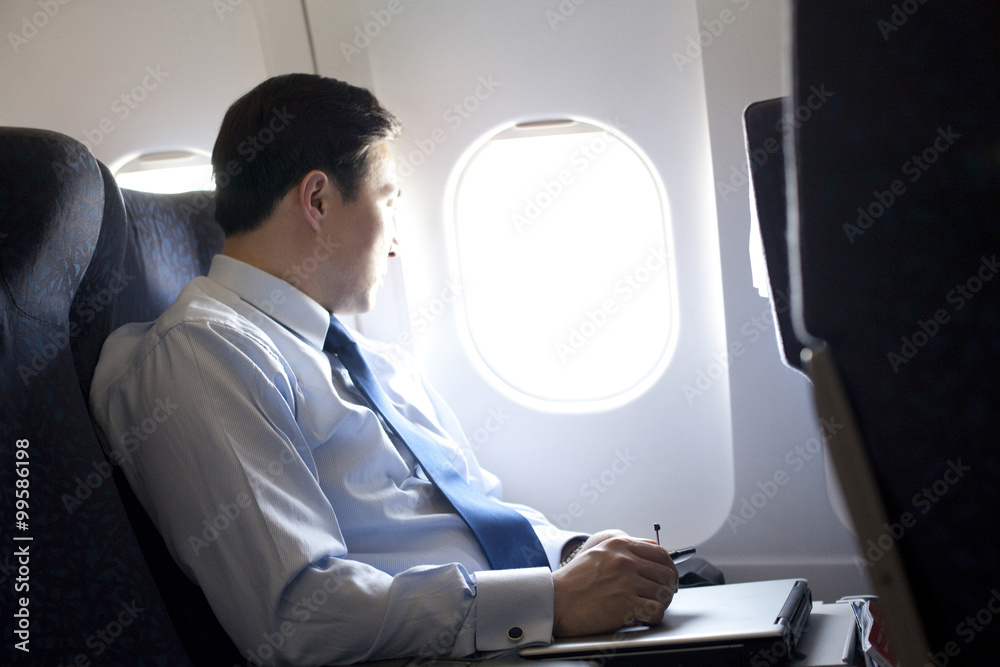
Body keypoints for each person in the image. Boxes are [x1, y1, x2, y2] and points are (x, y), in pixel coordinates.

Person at [89, 73, 677, 666]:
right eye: (388, 200)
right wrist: (549, 601)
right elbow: (301, 617)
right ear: (317, 200)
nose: (396, 241)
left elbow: (473, 512)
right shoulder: (207, 355)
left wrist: (574, 554)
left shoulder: (368, 359)